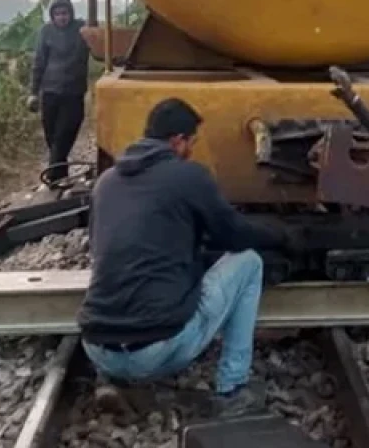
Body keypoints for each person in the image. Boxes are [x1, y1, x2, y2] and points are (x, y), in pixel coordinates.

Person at [77, 98, 304, 418]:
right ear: (177, 141)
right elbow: (233, 235)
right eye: (191, 143)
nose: (192, 151)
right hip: (157, 350)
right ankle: (233, 389)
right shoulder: (188, 177)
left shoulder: (105, 183)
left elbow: (99, 246)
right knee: (249, 262)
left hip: (97, 347)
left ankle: (116, 380)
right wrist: (281, 236)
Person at [27, 0, 91, 184]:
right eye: (57, 14)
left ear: (71, 14)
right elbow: (39, 62)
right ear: (52, 16)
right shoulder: (46, 32)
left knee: (64, 136)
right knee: (52, 138)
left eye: (65, 13)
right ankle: (61, 179)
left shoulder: (82, 30)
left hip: (73, 94)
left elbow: (98, 45)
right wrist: (33, 92)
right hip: (50, 93)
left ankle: (53, 177)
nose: (62, 17)